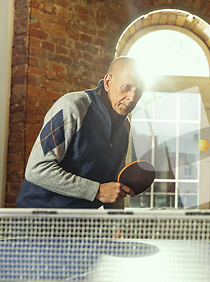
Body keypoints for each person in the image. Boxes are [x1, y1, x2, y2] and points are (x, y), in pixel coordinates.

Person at [16, 57, 145, 209]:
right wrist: (96, 191)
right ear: (108, 83)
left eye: (140, 90)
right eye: (127, 86)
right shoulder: (72, 106)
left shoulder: (124, 127)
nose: (132, 97)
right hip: (35, 224)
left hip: (80, 227)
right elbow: (37, 169)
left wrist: (117, 226)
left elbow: (114, 187)